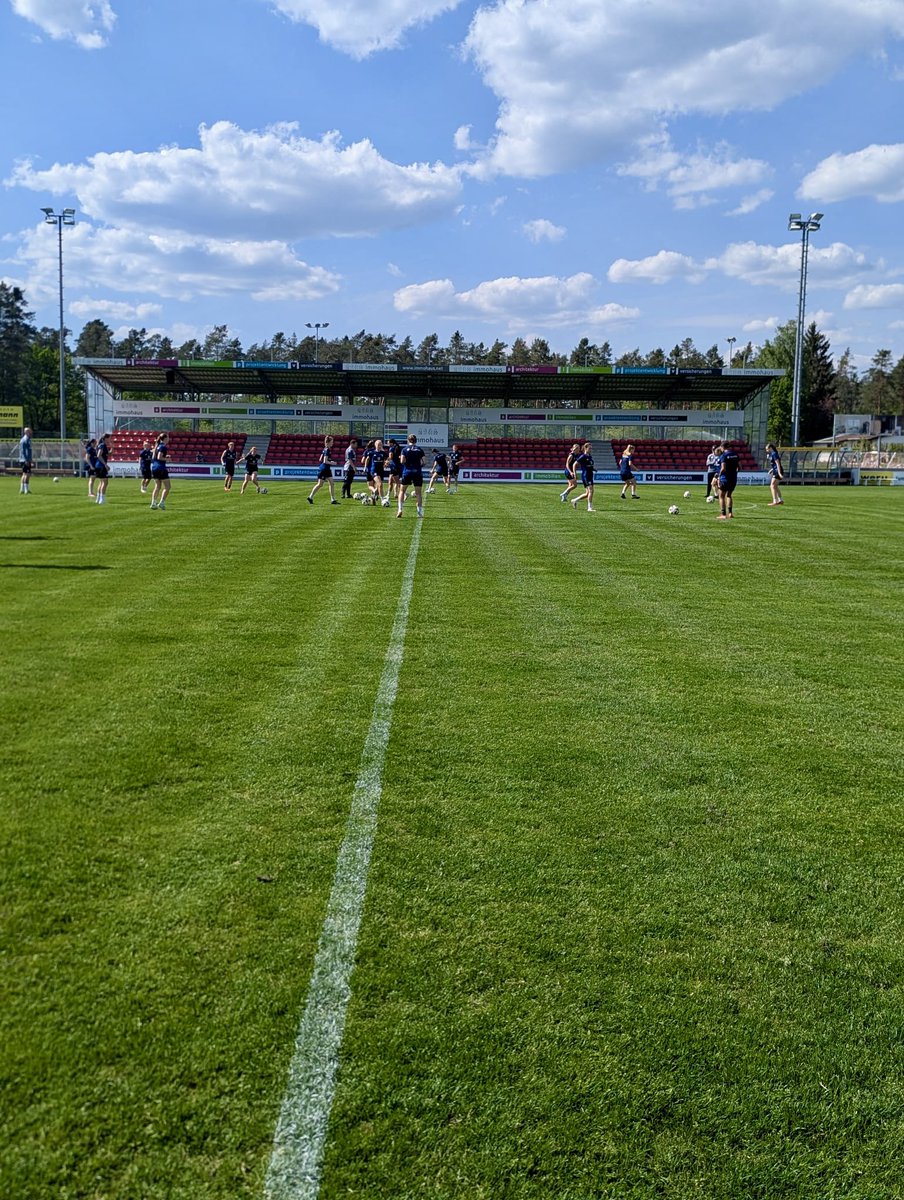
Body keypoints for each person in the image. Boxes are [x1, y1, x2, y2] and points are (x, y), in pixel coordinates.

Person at [397, 433, 425, 518]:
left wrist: (407, 463)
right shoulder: (420, 450)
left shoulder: (404, 449)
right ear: (416, 441)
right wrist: (418, 466)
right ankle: (419, 512)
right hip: (417, 472)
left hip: (407, 472)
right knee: (418, 493)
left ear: (408, 440)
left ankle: (400, 509)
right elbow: (424, 462)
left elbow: (402, 461)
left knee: (402, 491)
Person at [308, 436, 338, 504]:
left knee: (331, 484)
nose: (332, 443)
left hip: (326, 469)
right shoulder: (327, 450)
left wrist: (330, 461)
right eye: (332, 442)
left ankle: (333, 499)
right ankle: (310, 497)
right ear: (328, 442)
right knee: (320, 484)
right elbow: (325, 461)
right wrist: (332, 463)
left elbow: (320, 459)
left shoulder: (325, 449)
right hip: (324, 469)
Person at [715, 441, 740, 520]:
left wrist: (718, 476)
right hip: (733, 478)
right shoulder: (735, 454)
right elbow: (739, 467)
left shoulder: (724, 455)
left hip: (725, 478)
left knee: (721, 496)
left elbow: (723, 468)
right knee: (729, 495)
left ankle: (723, 514)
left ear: (722, 447)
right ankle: (730, 513)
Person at [570, 442, 595, 512]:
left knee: (587, 493)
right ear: (585, 448)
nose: (591, 449)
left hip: (590, 475)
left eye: (591, 448)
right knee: (591, 491)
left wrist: (593, 469)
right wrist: (574, 473)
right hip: (586, 475)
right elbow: (574, 464)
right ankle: (589, 507)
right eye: (589, 448)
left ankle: (574, 500)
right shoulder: (583, 456)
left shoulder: (589, 456)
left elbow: (588, 465)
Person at [149, 433, 170, 510]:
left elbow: (155, 457)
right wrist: (167, 459)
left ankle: (153, 503)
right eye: (168, 437)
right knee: (168, 487)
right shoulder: (163, 447)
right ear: (165, 439)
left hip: (154, 467)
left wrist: (165, 457)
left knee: (157, 486)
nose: (169, 439)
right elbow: (159, 457)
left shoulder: (157, 446)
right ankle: (161, 503)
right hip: (161, 468)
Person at [93, 436, 110, 505]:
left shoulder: (101, 445)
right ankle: (102, 499)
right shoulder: (102, 445)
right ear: (105, 439)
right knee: (105, 482)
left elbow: (106, 455)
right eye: (108, 438)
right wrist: (105, 464)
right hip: (101, 466)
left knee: (101, 482)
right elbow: (99, 455)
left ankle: (98, 498)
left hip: (98, 466)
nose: (110, 439)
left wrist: (112, 448)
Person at [18, 426, 33, 495]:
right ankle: (26, 490)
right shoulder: (25, 440)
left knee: (24, 474)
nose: (31, 432)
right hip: (25, 459)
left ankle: (22, 489)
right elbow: (24, 451)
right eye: (29, 431)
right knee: (27, 474)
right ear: (26, 432)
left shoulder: (27, 439)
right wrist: (27, 460)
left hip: (24, 459)